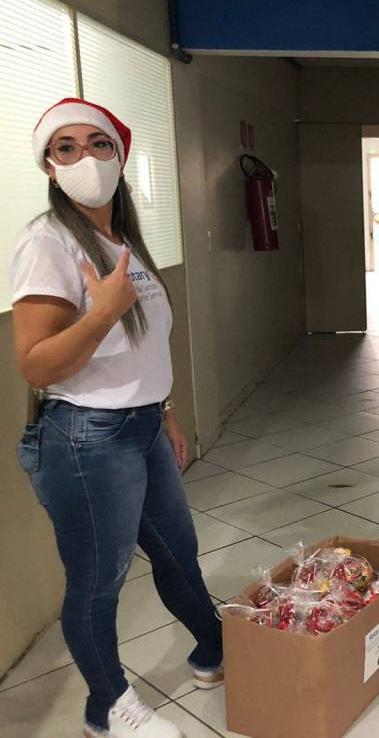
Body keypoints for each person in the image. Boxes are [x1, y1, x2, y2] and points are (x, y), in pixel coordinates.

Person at [11, 98, 223, 738]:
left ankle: (214, 648)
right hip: (86, 439)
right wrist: (102, 312)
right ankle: (107, 708)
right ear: (50, 166)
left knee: (178, 553)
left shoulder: (122, 242)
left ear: (120, 156)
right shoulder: (47, 243)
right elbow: (36, 365)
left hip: (141, 428)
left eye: (98, 144)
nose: (85, 157)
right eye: (66, 147)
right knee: (98, 583)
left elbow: (144, 346)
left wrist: (165, 409)